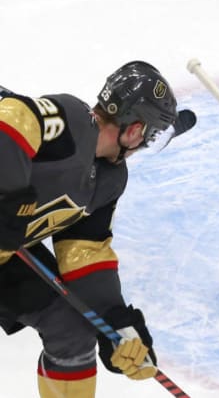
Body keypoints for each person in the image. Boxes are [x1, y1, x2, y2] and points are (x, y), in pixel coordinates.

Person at [0, 61, 195, 397]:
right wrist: (9, 195)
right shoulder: (72, 121)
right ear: (135, 130)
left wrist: (114, 320)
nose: (142, 146)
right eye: (148, 137)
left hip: (7, 252)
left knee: (71, 325)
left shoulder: (108, 181)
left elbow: (84, 250)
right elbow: (12, 115)